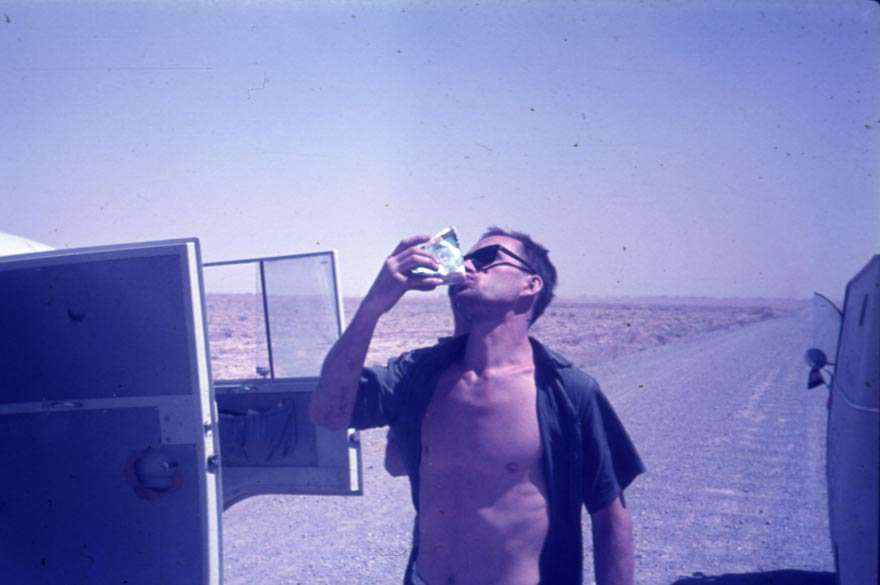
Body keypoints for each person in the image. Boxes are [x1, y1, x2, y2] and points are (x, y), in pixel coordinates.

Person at [309, 227, 645, 585]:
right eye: (464, 257)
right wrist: (374, 305)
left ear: (530, 285)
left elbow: (610, 515)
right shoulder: (420, 376)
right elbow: (329, 414)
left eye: (487, 259)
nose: (466, 265)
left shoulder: (567, 392)